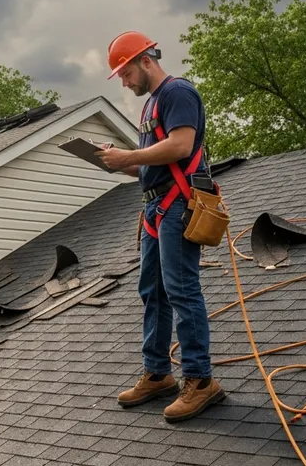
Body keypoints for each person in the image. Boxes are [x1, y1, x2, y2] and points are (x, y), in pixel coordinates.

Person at [95, 31, 224, 423]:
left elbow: (182, 146)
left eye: (126, 72)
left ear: (145, 60)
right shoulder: (150, 105)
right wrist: (118, 163)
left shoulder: (177, 92)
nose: (124, 80)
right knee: (151, 290)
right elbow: (150, 164)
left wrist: (130, 155)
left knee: (182, 289)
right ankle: (158, 373)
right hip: (155, 209)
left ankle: (201, 381)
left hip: (178, 204)